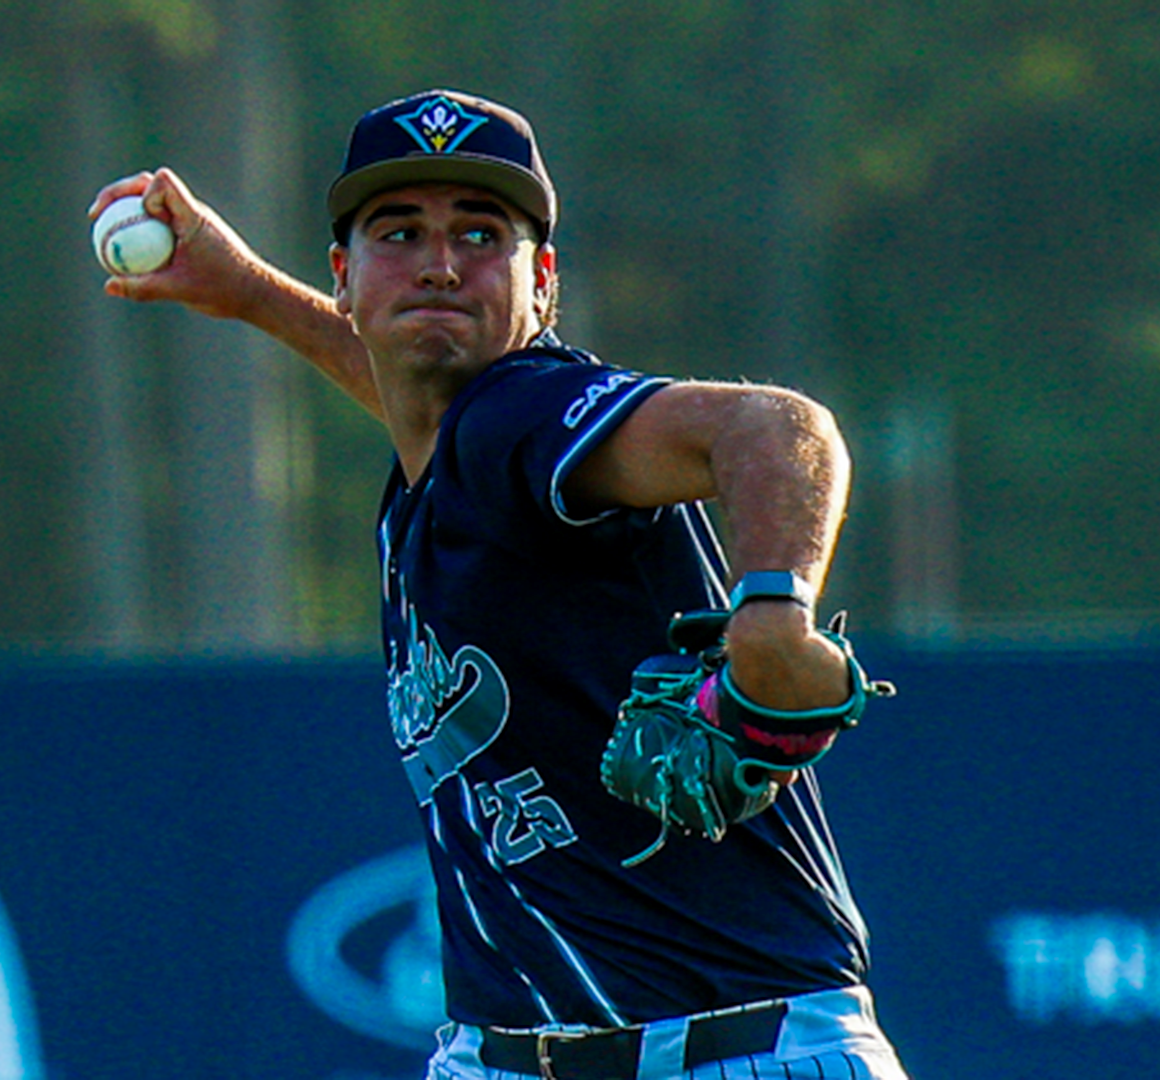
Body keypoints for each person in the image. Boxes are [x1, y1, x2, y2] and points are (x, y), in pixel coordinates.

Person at [90, 89, 910, 1080]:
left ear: (543, 283)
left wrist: (773, 608)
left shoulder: (525, 414)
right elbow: (413, 396)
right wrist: (251, 291)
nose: (439, 263)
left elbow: (774, 427)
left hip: (727, 1052)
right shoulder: (452, 461)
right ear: (343, 274)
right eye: (400, 232)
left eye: (480, 235)